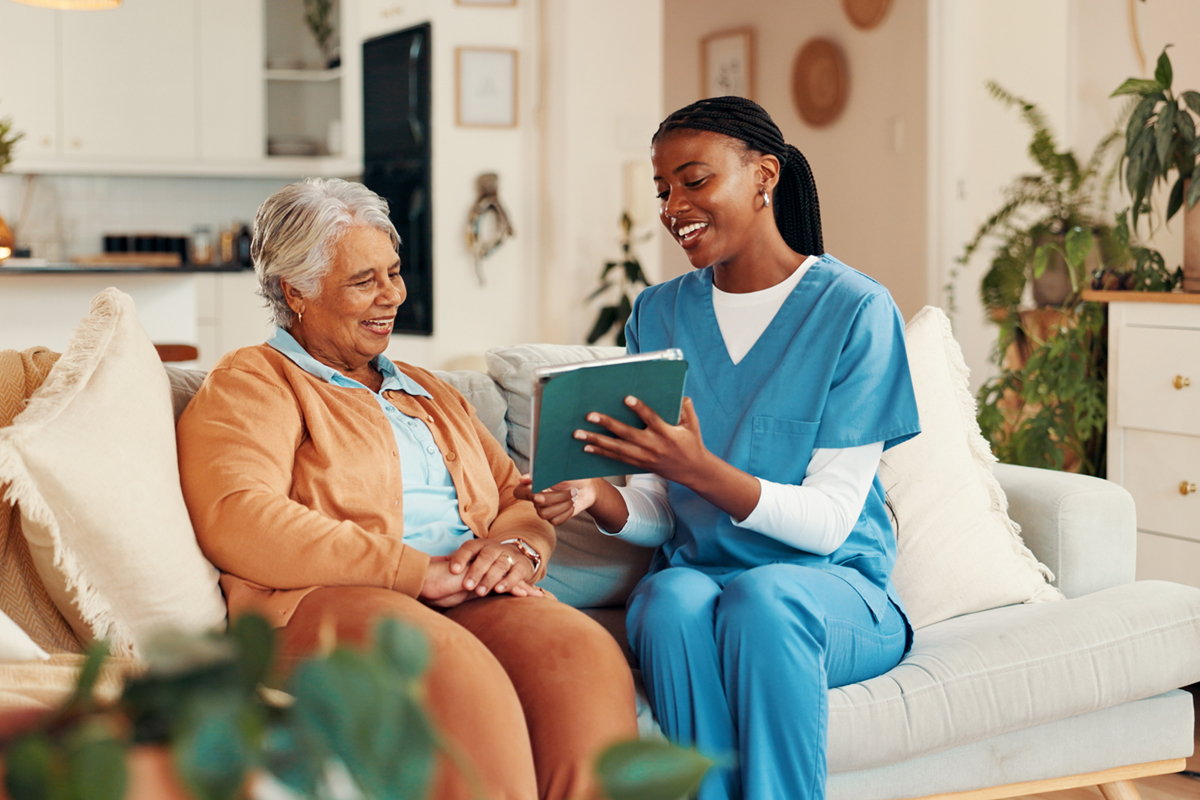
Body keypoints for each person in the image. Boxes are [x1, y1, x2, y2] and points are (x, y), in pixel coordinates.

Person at [176, 178, 637, 800]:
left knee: (580, 654)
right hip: (324, 600)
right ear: (296, 292)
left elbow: (512, 499)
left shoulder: (428, 391)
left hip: (465, 589)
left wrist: (518, 553)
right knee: (448, 668)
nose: (391, 295)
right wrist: (416, 572)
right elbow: (238, 516)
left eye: (393, 273)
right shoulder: (257, 379)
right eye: (363, 281)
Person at [517, 97, 921, 800]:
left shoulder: (856, 311)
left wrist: (700, 469)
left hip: (831, 592)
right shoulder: (658, 312)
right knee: (667, 598)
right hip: (703, 583)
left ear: (764, 176)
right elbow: (664, 510)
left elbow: (829, 522)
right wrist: (599, 497)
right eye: (663, 189)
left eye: (694, 180)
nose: (674, 206)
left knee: (763, 601)